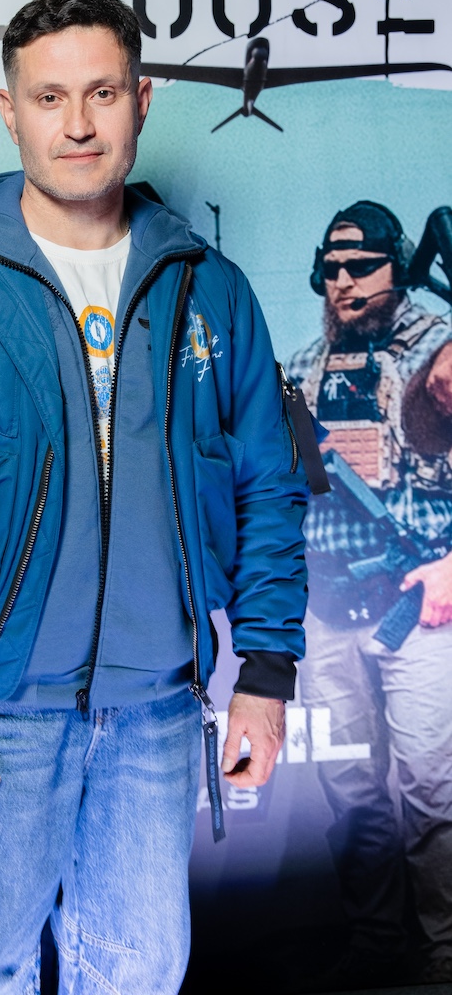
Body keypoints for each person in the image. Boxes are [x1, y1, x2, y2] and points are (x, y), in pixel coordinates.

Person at [0, 0, 309, 994]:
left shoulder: (208, 287)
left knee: (137, 973)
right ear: (9, 111)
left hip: (157, 712)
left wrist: (263, 669)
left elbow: (267, 488)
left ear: (142, 98)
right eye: (48, 97)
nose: (77, 123)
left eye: (102, 93)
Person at [287, 201, 452, 988]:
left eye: (361, 267)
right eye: (330, 270)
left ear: (398, 268)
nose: (344, 283)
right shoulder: (298, 370)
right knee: (349, 790)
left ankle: (443, 950)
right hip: (328, 608)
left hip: (418, 603)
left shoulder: (442, 356)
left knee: (429, 790)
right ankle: (376, 940)